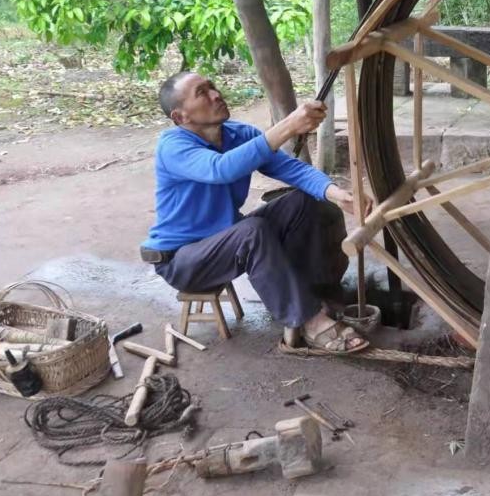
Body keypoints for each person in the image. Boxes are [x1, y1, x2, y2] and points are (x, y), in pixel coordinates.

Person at [140, 71, 371, 354]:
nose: (216, 95)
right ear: (180, 117)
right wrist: (288, 126)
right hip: (182, 259)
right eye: (202, 93)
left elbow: (291, 169)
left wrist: (338, 194)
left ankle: (318, 298)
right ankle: (308, 321)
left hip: (226, 239)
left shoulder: (238, 135)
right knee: (252, 232)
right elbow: (220, 169)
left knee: (306, 202)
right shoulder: (173, 146)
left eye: (213, 86)